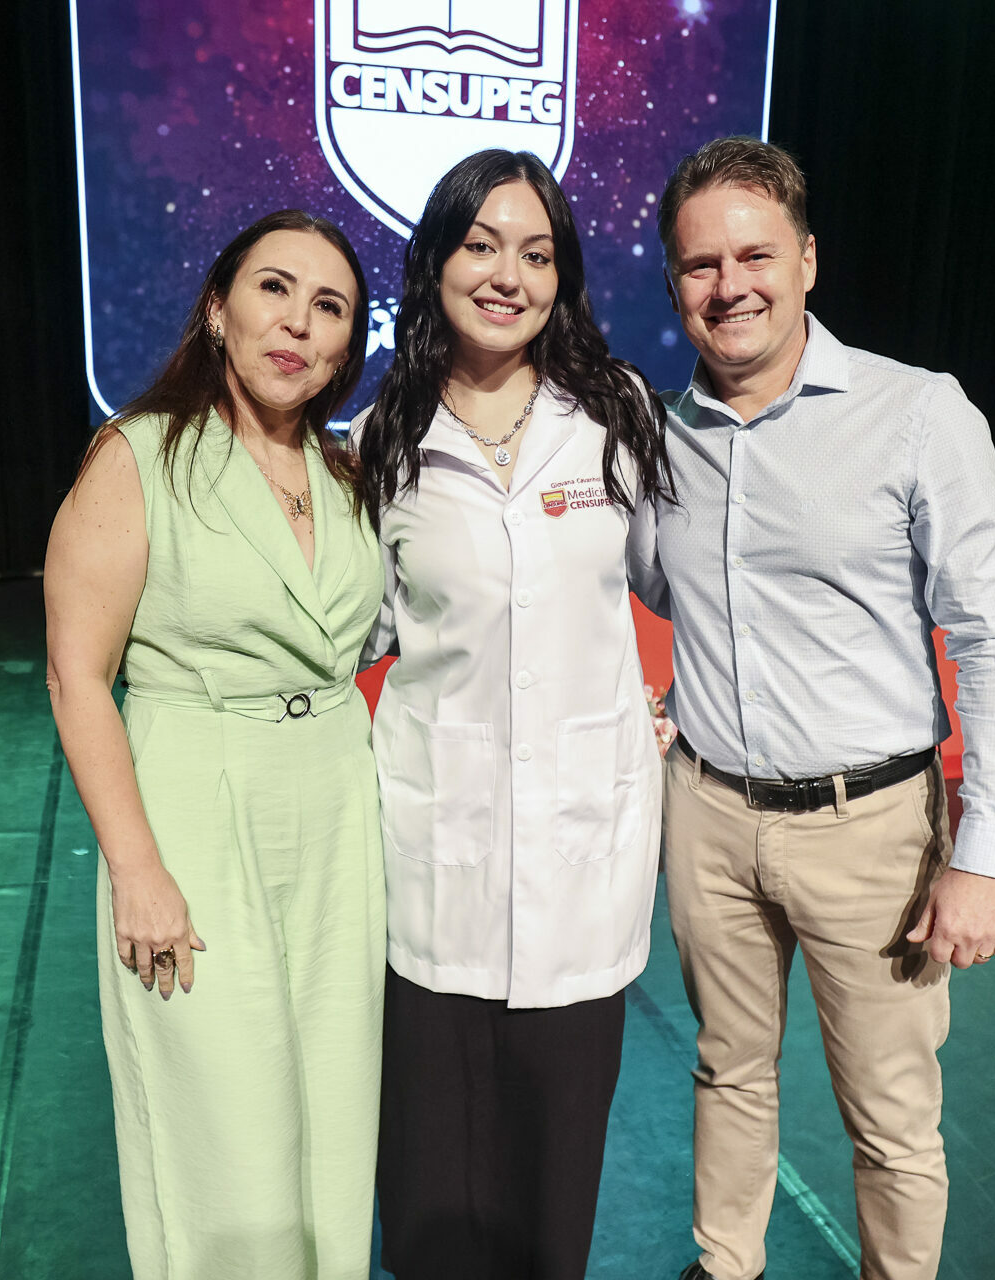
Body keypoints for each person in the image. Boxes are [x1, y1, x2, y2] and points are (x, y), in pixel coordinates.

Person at [630, 137, 995, 1280]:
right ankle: (727, 1262)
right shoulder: (657, 434)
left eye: (756, 254)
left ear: (807, 260)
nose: (731, 285)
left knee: (891, 1115)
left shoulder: (917, 413)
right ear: (674, 283)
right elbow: (650, 585)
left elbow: (994, 635)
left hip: (872, 829)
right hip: (708, 815)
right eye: (701, 264)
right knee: (727, 1067)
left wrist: (990, 852)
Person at [44, 209, 386, 1280]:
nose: (298, 323)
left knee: (336, 1126)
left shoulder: (343, 471)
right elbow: (77, 677)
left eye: (329, 306)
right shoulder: (138, 455)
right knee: (226, 1137)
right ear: (217, 309)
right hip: (197, 808)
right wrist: (136, 870)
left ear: (349, 342)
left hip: (337, 814)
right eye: (274, 288)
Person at [353, 149, 674, 1280]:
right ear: (435, 262)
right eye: (482, 245)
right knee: (431, 1196)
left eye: (536, 254)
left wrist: (674, 710)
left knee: (551, 1195)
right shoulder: (383, 439)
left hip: (582, 863)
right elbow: (359, 632)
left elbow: (680, 583)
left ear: (562, 277)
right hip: (433, 863)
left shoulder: (616, 413)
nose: (508, 275)